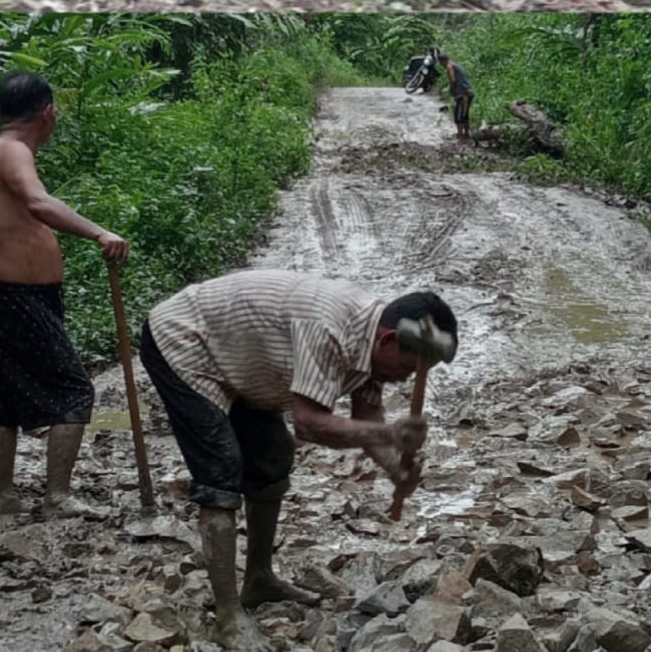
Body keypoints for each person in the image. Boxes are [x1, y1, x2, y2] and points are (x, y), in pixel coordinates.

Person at [140, 272, 453, 649]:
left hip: (243, 357)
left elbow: (367, 416)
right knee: (221, 468)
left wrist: (394, 470)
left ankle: (258, 580)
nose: (404, 379)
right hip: (185, 341)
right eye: (406, 369)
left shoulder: (374, 344)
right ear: (387, 340)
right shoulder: (329, 329)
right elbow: (309, 425)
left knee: (273, 455)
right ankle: (228, 616)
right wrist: (391, 435)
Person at [0, 71, 130, 519]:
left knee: (4, 399)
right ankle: (57, 496)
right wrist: (100, 233)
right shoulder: (13, 152)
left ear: (2, 111)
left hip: (4, 293)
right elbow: (38, 202)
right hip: (18, 297)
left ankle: (4, 498)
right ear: (48, 113)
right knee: (74, 389)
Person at [435, 47, 474, 140]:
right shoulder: (456, 65)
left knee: (459, 115)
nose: (441, 66)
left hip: (463, 94)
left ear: (443, 61)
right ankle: (466, 134)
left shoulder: (449, 66)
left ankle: (460, 135)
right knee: (465, 115)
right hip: (468, 92)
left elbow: (453, 80)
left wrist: (452, 90)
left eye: (441, 63)